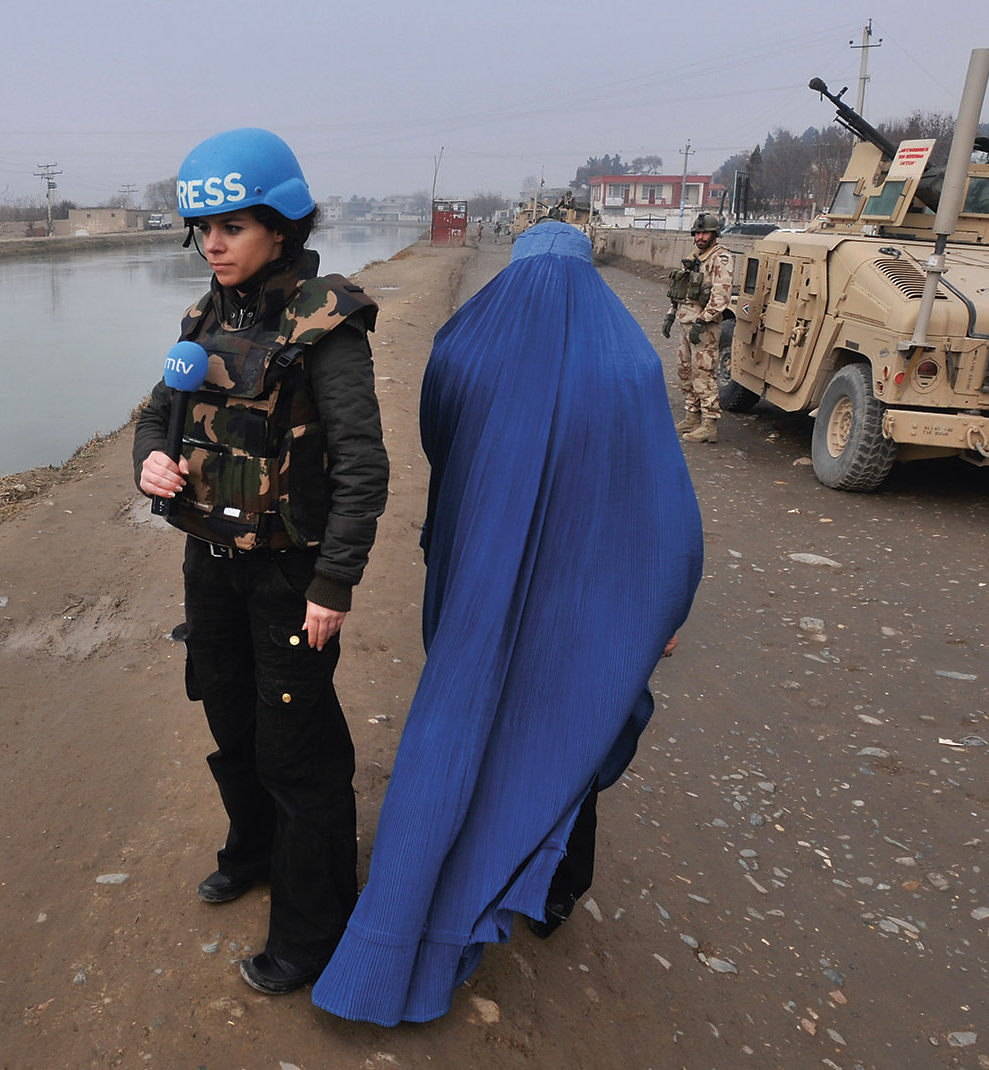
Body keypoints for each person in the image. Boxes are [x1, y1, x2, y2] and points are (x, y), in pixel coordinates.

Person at [312, 220, 702, 1026]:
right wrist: (666, 604)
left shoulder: (464, 347)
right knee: (568, 727)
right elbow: (664, 504)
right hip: (587, 596)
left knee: (464, 718)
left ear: (516, 268)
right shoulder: (629, 362)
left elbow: (441, 448)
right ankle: (551, 894)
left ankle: (409, 914)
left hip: (479, 571)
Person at [132, 127, 389, 996]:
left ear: (279, 225)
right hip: (210, 564)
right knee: (230, 723)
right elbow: (150, 416)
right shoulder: (202, 317)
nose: (213, 244)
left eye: (233, 227)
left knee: (297, 752)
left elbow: (362, 468)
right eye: (203, 229)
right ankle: (250, 853)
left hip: (291, 576)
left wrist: (334, 583)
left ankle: (313, 934)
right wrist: (150, 461)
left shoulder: (328, 322)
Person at [663, 211, 734, 443]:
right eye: (698, 233)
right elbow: (682, 290)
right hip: (686, 321)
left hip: (703, 327)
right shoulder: (695, 256)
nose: (701, 237)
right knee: (684, 371)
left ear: (714, 235)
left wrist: (703, 320)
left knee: (704, 374)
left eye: (705, 233)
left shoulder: (720, 258)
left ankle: (709, 425)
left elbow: (721, 295)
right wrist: (670, 315)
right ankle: (692, 416)